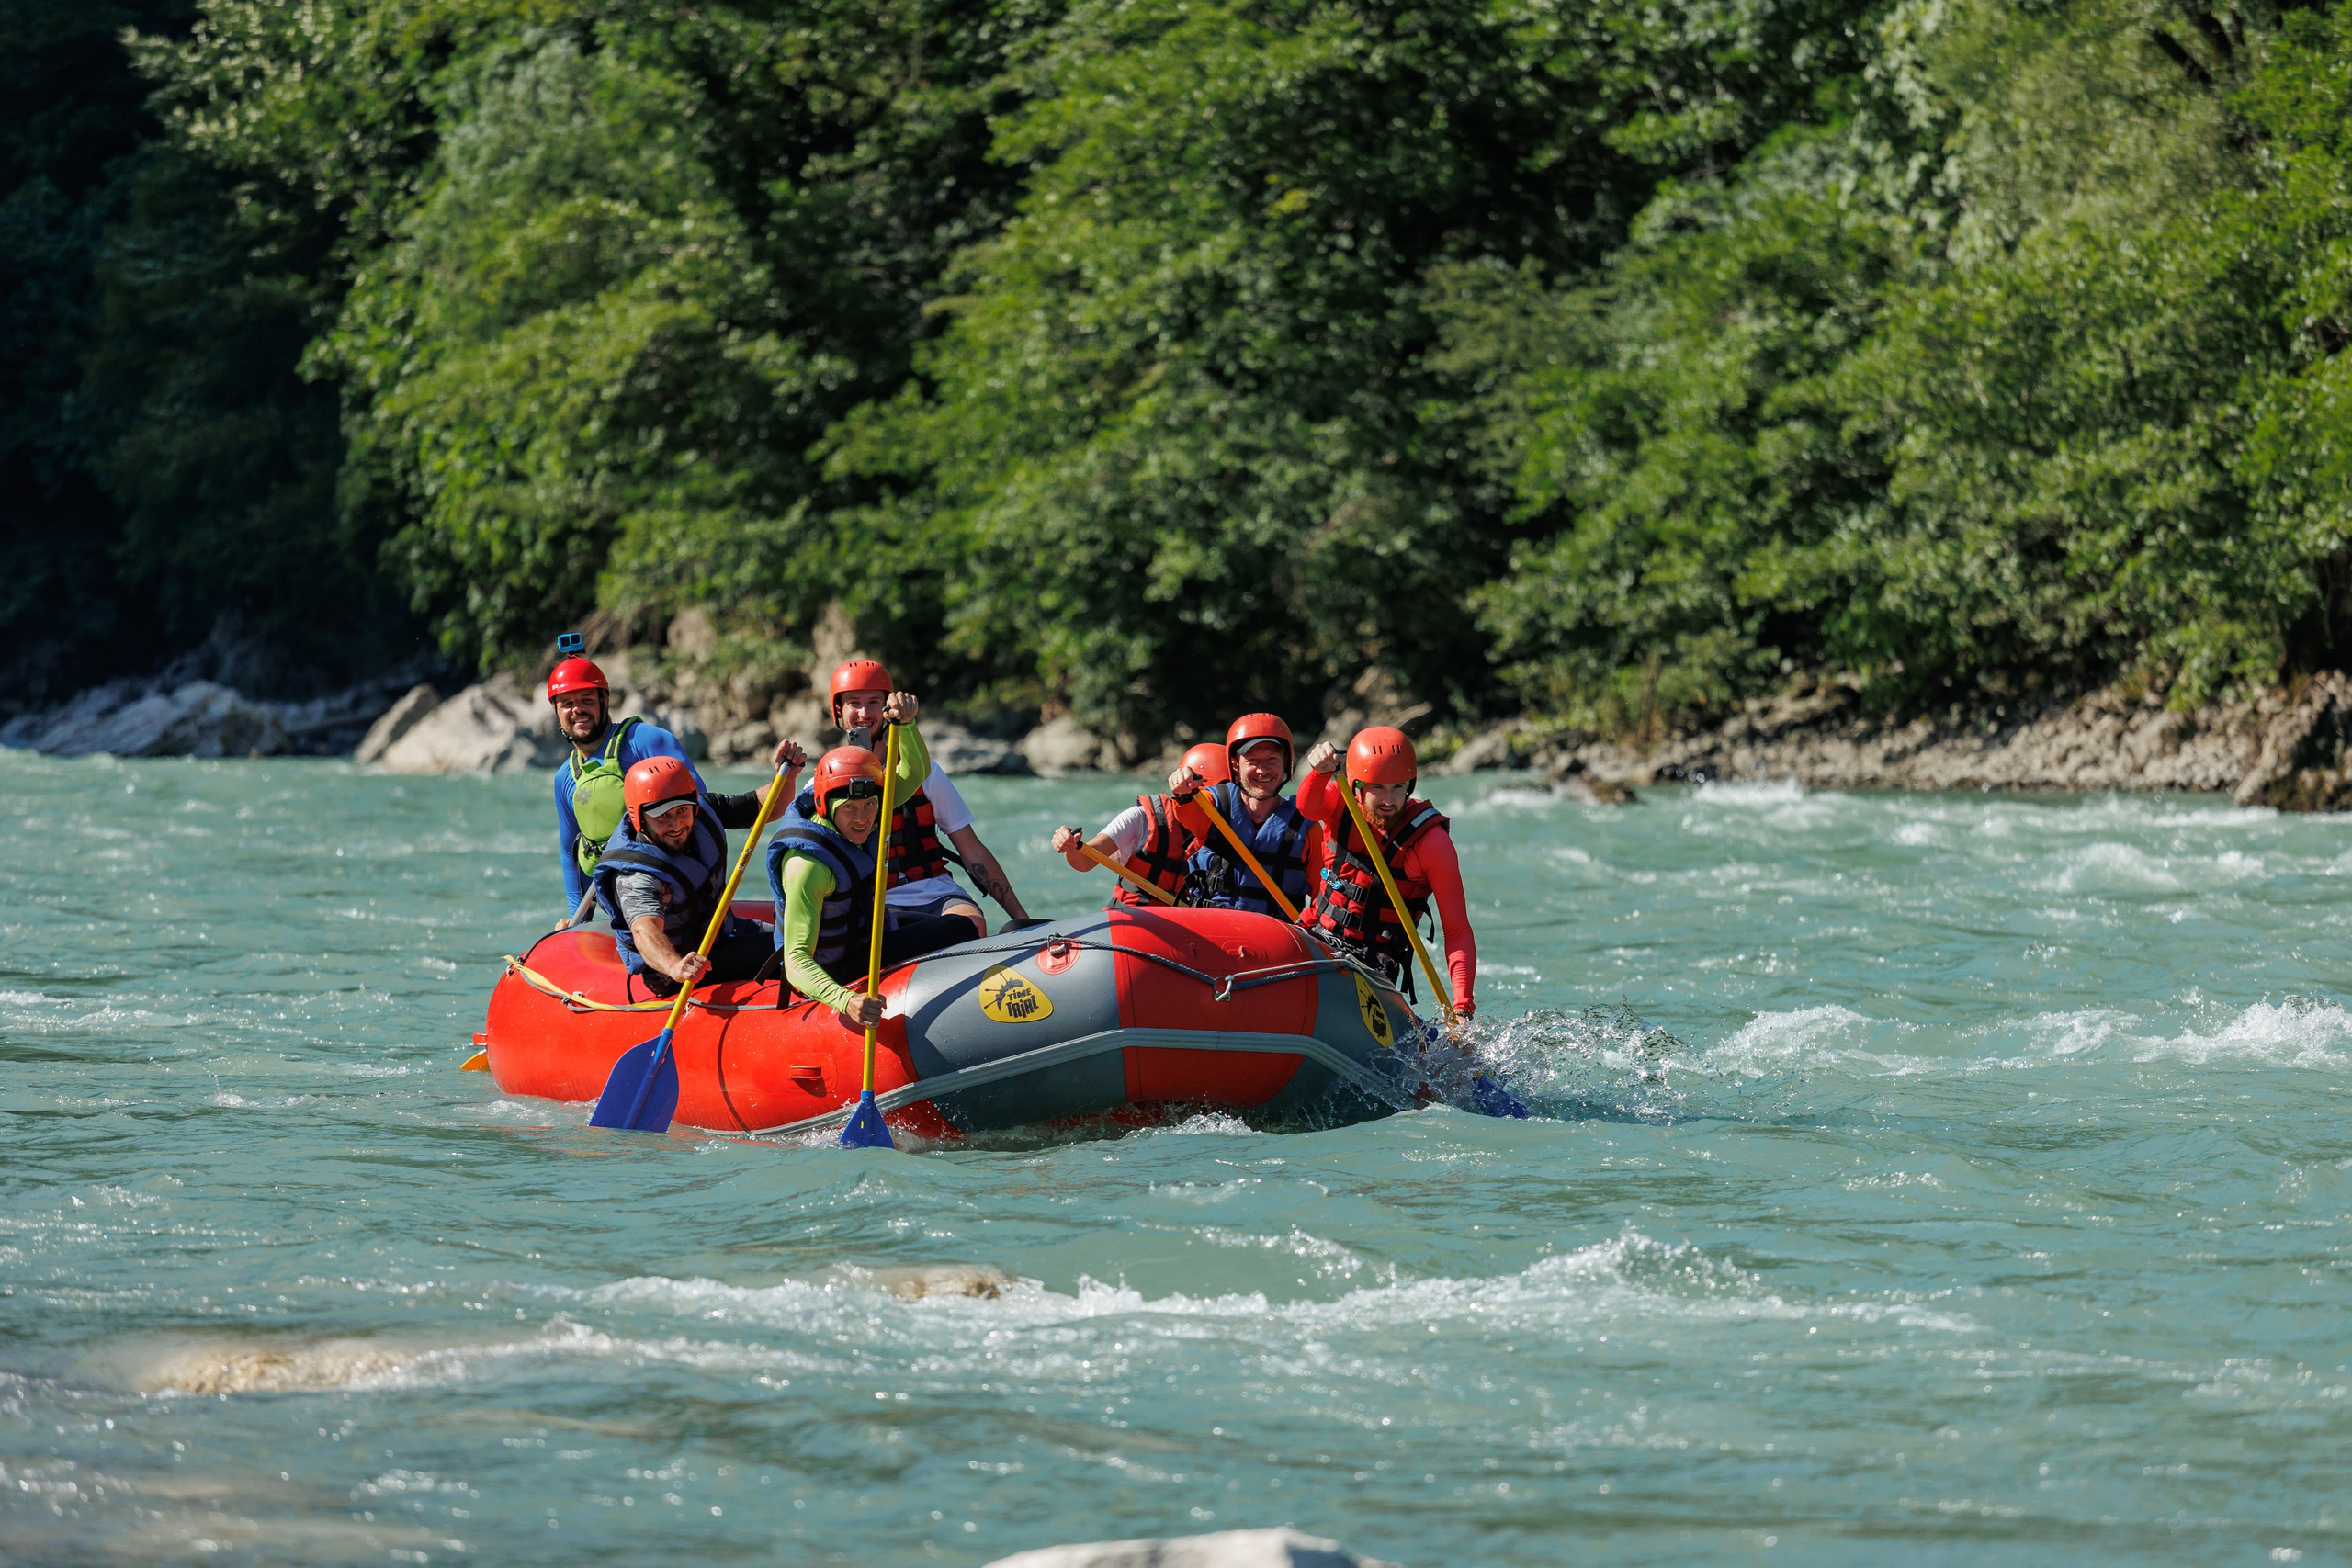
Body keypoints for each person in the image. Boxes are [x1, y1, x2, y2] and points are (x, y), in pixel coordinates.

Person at [765, 736, 980, 1028]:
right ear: (824, 804)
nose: (863, 818)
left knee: (962, 926)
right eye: (850, 808)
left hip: (865, 934)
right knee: (957, 930)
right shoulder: (807, 866)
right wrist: (846, 1000)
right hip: (833, 966)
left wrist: (907, 724)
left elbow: (916, 771)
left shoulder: (865, 812)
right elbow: (795, 961)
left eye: (869, 805)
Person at [826, 660, 1030, 935]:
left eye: (874, 702)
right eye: (854, 703)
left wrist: (1022, 919)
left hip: (936, 893)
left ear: (888, 707)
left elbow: (972, 851)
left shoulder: (929, 775)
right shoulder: (823, 784)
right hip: (871, 902)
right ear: (838, 711)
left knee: (973, 923)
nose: (864, 712)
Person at [591, 749, 804, 998]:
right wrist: (675, 966)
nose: (677, 825)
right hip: (681, 970)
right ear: (639, 818)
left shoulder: (702, 809)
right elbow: (644, 930)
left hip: (722, 934)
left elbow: (764, 804)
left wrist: (786, 776)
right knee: (794, 949)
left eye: (682, 811)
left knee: (808, 936)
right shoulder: (636, 875)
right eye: (663, 817)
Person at [1296, 727, 1477, 1019]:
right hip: (1316, 937)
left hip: (1374, 965)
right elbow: (1306, 806)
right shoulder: (1339, 802)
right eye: (1377, 787)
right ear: (1356, 784)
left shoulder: (1431, 844)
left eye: (1398, 787)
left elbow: (1457, 930)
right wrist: (1318, 772)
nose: (1389, 801)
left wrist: (1462, 1005)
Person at [547, 643, 698, 915]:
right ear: (556, 712)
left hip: (674, 887)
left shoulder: (645, 741)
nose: (577, 710)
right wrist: (576, 919)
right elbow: (570, 855)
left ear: (605, 701)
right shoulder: (565, 778)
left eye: (587, 700)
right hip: (618, 901)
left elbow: (702, 807)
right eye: (567, 703)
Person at [1167, 714, 1324, 919]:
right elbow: (1187, 811)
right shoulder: (1212, 805)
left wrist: (1307, 927)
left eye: (1272, 760)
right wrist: (1181, 791)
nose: (1262, 770)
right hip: (1212, 929)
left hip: (1274, 937)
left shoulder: (1307, 826)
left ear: (1286, 764)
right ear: (1235, 765)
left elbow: (1321, 897)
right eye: (1253, 761)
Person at [1050, 742, 1231, 905]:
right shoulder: (1141, 819)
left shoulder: (1228, 832)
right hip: (1133, 922)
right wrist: (1070, 846)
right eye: (1219, 797)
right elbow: (1084, 862)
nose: (1225, 804)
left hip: (1183, 927)